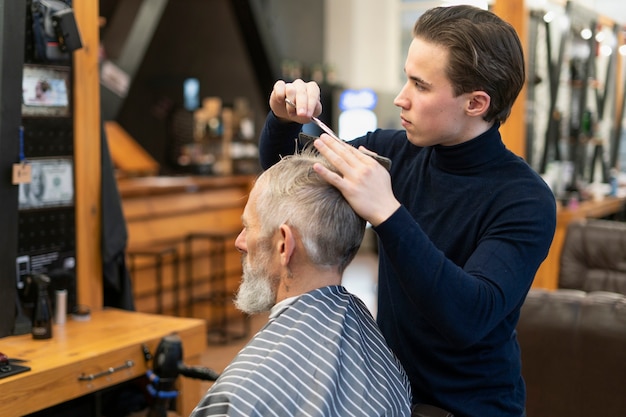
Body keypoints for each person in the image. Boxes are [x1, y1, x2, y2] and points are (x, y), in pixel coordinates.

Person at [258, 5, 556, 417]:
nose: (401, 97)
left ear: (476, 103)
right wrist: (282, 119)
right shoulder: (394, 152)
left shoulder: (525, 199)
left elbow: (468, 316)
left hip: (472, 408)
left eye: (420, 84)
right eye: (406, 77)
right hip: (390, 394)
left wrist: (388, 212)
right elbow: (286, 176)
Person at [190, 150, 412, 417]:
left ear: (284, 244)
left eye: (249, 227)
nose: (239, 242)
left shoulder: (240, 397)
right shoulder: (376, 345)